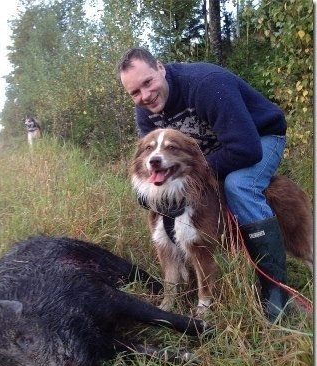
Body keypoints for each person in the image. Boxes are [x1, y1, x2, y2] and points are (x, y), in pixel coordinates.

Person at [118, 47, 289, 323]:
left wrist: (196, 173)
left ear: (160, 68)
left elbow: (246, 150)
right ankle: (184, 271)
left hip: (260, 138)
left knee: (238, 186)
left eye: (147, 83)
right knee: (172, 196)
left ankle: (276, 290)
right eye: (135, 93)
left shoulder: (206, 85)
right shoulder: (146, 111)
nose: (145, 96)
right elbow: (153, 159)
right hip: (210, 153)